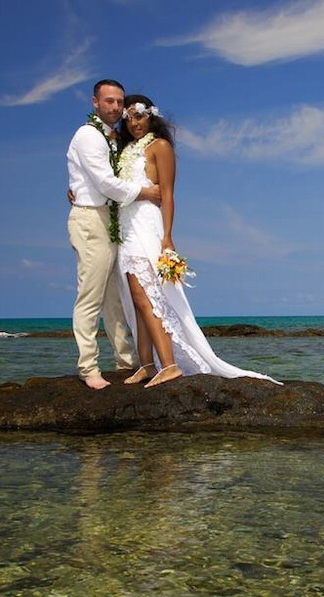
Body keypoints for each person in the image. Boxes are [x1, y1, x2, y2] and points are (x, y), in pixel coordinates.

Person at [113, 94, 279, 387]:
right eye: (128, 119)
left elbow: (167, 195)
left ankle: (170, 365)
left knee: (147, 296)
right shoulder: (126, 151)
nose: (134, 123)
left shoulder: (159, 147)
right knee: (137, 299)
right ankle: (147, 364)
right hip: (126, 229)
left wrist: (167, 237)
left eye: (139, 116)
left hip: (146, 227)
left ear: (150, 116)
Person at [67, 79, 161, 390]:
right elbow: (106, 183)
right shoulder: (88, 136)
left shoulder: (112, 138)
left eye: (119, 102)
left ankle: (125, 361)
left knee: (113, 299)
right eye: (109, 101)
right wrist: (146, 192)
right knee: (90, 296)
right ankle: (89, 369)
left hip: (109, 219)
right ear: (95, 102)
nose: (116, 107)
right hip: (91, 219)